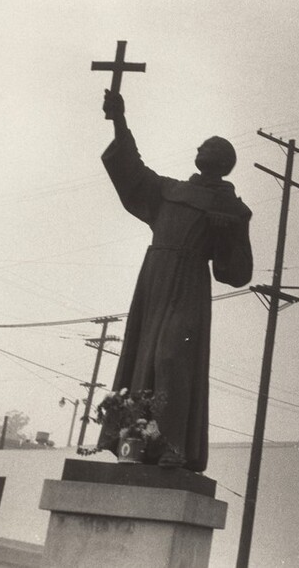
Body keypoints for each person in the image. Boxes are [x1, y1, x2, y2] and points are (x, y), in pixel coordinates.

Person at [97, 90, 252, 471]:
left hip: (187, 285)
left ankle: (172, 446)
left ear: (222, 162)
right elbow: (132, 170)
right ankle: (132, 442)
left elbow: (236, 273)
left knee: (172, 358)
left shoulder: (232, 208)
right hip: (154, 280)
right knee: (144, 357)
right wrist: (119, 119)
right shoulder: (169, 191)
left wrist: (225, 235)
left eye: (209, 147)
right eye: (202, 145)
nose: (201, 149)